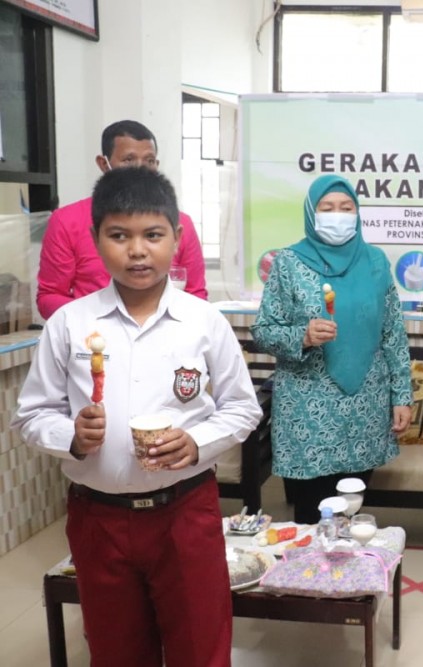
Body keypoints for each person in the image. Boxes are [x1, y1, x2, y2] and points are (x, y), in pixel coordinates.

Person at [14, 167, 262, 667]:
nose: (137, 251)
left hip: (186, 512)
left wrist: (196, 443)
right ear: (96, 240)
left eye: (152, 235)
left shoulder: (203, 322)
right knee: (116, 651)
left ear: (176, 237)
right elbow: (31, 415)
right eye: (119, 236)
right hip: (99, 518)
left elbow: (242, 406)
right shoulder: (70, 323)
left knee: (201, 647)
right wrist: (72, 436)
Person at [251, 174, 412, 524]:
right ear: (311, 213)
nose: (337, 215)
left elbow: (393, 334)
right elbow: (263, 331)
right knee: (313, 517)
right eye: (327, 208)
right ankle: (311, 575)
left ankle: (348, 575)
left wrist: (402, 396)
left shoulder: (375, 262)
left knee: (350, 510)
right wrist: (303, 336)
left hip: (364, 409)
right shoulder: (289, 263)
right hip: (307, 411)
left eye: (346, 208)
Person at [37, 119, 208, 319]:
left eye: (149, 161)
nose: (140, 170)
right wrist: (101, 322)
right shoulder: (66, 220)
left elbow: (196, 294)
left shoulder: (181, 222)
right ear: (103, 163)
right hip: (92, 340)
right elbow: (50, 296)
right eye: (128, 160)